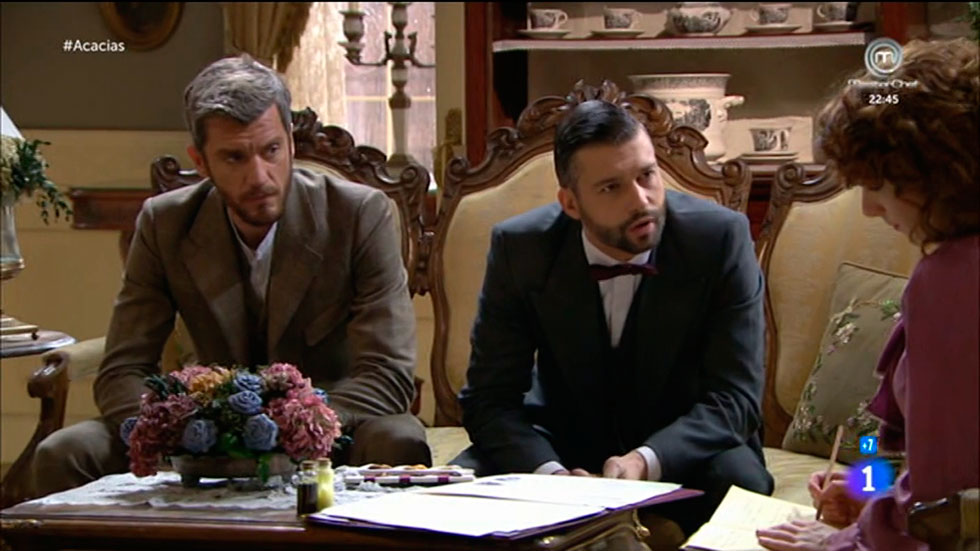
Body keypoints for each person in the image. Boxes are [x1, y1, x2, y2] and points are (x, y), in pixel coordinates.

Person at [32, 54, 430, 497]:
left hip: (327, 429)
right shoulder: (166, 223)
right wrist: (181, 428)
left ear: (290, 143)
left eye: (271, 150)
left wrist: (292, 426)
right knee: (64, 452)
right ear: (201, 161)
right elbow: (124, 369)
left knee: (398, 437)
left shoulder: (359, 214)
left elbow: (387, 372)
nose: (258, 176)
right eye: (234, 157)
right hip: (202, 434)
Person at [453, 99, 773, 535]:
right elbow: (489, 399)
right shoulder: (521, 249)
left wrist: (645, 460)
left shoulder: (720, 238)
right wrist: (550, 476)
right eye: (611, 188)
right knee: (462, 486)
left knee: (740, 482)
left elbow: (736, 398)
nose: (641, 201)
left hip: (687, 446)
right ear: (571, 203)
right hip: (566, 447)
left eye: (647, 176)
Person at [757, 38, 979, 551]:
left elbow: (941, 505)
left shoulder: (951, 281)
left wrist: (841, 542)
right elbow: (928, 463)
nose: (869, 210)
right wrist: (865, 488)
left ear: (935, 174)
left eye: (876, 185)